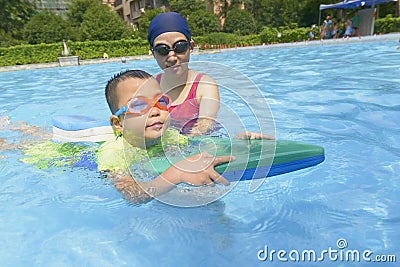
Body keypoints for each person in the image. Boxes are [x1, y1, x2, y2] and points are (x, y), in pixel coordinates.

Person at [147, 12, 219, 136]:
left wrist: (176, 150)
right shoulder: (150, 87)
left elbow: (204, 127)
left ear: (190, 47)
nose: (172, 57)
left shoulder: (204, 86)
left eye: (179, 47)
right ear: (153, 53)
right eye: (162, 50)